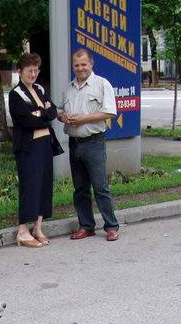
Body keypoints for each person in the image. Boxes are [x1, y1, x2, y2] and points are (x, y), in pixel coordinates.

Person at [58, 48, 120, 241]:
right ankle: (86, 226)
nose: (80, 68)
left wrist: (84, 119)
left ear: (91, 64)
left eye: (83, 64)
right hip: (75, 143)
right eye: (76, 65)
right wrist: (64, 117)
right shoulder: (68, 88)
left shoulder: (102, 84)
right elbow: (59, 111)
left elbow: (110, 112)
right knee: (80, 189)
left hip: (94, 142)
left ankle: (111, 226)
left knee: (100, 187)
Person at [8, 52, 59, 248]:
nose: (33, 74)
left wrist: (42, 112)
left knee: (44, 184)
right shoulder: (16, 94)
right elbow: (26, 121)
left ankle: (38, 227)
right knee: (30, 185)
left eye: (36, 70)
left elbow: (52, 112)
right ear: (20, 71)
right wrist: (42, 113)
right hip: (29, 148)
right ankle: (23, 230)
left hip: (45, 144)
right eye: (30, 70)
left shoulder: (39, 88)